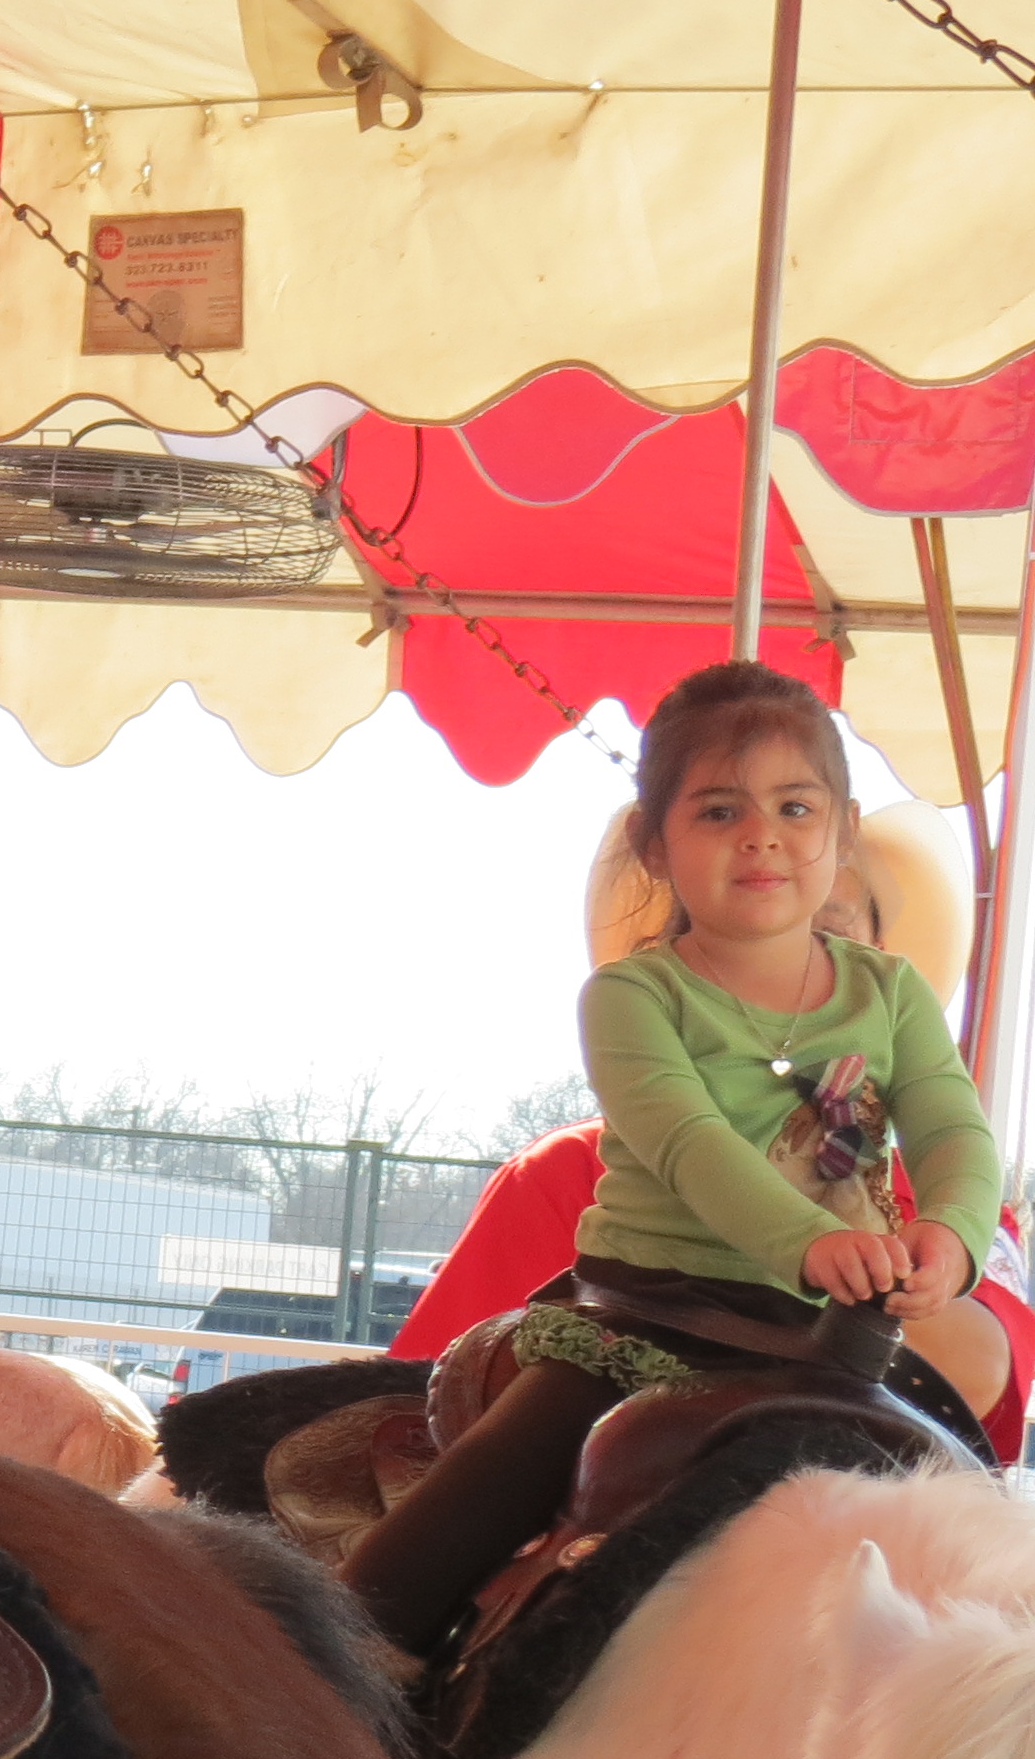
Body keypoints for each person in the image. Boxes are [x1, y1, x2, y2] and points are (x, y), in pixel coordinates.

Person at [340, 662, 1004, 1652]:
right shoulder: (634, 998)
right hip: (653, 1320)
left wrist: (951, 1231)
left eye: (794, 806)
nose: (761, 836)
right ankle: (355, 1671)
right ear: (655, 843)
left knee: (972, 1545)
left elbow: (951, 1126)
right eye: (718, 811)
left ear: (843, 829)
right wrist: (812, 1242)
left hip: (838, 1340)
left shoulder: (892, 993)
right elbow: (690, 1143)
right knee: (414, 1562)